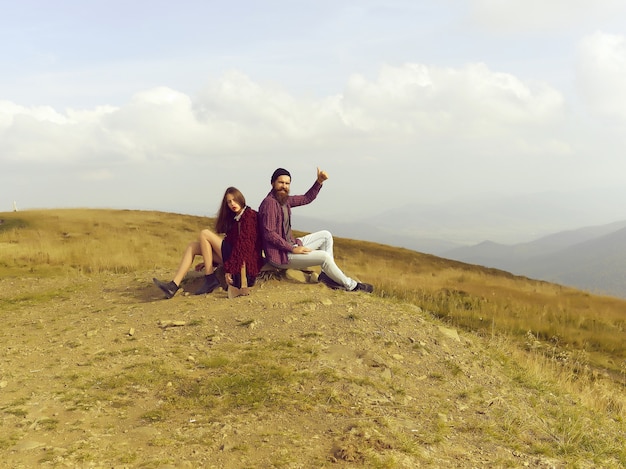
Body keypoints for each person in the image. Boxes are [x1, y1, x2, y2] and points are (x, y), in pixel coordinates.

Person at [258, 167, 373, 293]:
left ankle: (327, 277)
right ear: (273, 183)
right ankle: (352, 286)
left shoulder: (284, 200)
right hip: (280, 256)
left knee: (326, 236)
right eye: (281, 182)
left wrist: (319, 181)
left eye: (287, 183)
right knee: (324, 257)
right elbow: (269, 234)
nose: (284, 186)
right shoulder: (269, 203)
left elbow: (306, 198)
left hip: (290, 246)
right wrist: (293, 249)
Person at [153, 187, 263, 299]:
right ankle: (173, 286)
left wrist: (230, 269)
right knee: (193, 246)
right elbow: (230, 244)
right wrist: (208, 260)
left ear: (241, 199)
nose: (232, 204)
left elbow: (243, 249)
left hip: (245, 262)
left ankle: (210, 278)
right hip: (233, 255)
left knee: (204, 233)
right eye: (229, 202)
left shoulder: (250, 216)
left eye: (234, 200)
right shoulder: (235, 218)